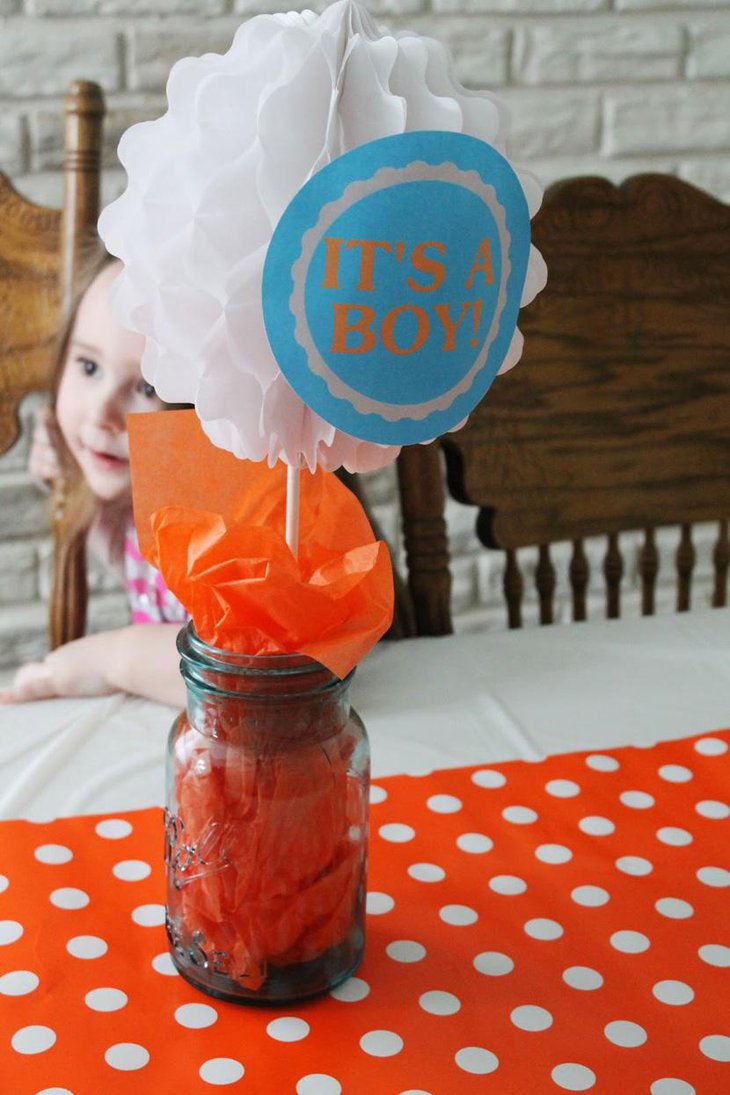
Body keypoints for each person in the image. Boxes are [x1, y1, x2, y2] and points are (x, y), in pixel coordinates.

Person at [0, 249, 187, 708]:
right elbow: (131, 564)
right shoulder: (137, 504)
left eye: (146, 388)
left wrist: (104, 659)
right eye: (88, 367)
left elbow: (239, 671)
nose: (102, 414)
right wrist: (71, 471)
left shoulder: (232, 535)